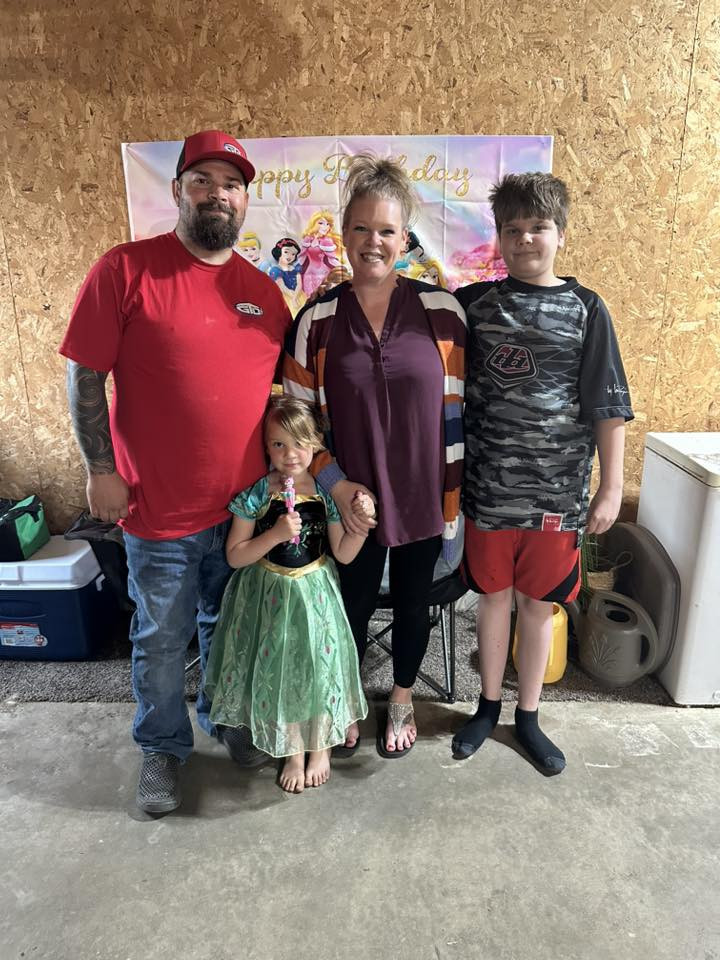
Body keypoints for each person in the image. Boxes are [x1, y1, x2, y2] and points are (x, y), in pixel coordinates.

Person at [60, 129, 292, 814]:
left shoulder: (263, 294)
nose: (218, 194)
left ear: (245, 201)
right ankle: (162, 746)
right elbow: (84, 375)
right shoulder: (125, 269)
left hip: (242, 512)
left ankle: (226, 719)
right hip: (156, 508)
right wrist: (99, 469)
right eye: (203, 180)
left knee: (228, 627)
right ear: (177, 191)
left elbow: (281, 402)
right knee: (161, 639)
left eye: (232, 185)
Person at [284, 153, 466, 758]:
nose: (373, 242)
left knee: (414, 606)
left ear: (404, 237)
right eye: (361, 228)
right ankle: (347, 697)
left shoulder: (444, 314)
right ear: (344, 233)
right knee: (351, 607)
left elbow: (467, 413)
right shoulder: (317, 320)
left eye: (386, 230)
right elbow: (297, 425)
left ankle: (403, 698)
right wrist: (335, 484)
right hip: (350, 503)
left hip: (423, 497)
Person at [453, 172, 634, 773]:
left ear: (561, 235)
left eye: (538, 227)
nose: (526, 238)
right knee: (493, 600)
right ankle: (486, 706)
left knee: (538, 606)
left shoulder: (587, 309)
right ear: (499, 238)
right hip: (487, 494)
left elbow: (609, 405)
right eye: (513, 229)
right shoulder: (474, 306)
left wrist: (611, 488)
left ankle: (527, 716)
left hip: (557, 497)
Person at [204, 396, 373, 793]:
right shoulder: (258, 494)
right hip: (270, 599)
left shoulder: (324, 494)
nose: (289, 454)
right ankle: (294, 750)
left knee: (318, 669)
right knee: (282, 671)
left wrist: (362, 525)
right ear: (266, 447)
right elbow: (235, 555)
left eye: (299, 442)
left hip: (316, 598)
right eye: (278, 444)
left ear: (316, 443)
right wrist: (275, 535)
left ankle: (321, 747)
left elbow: (344, 553)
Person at [298, 210, 342, 297]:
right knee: (309, 296)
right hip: (309, 273)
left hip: (322, 274)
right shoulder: (308, 239)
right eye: (321, 223)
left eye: (328, 224)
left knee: (321, 295)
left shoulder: (327, 241)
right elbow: (302, 256)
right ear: (314, 224)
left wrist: (341, 267)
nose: (325, 227)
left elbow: (332, 259)